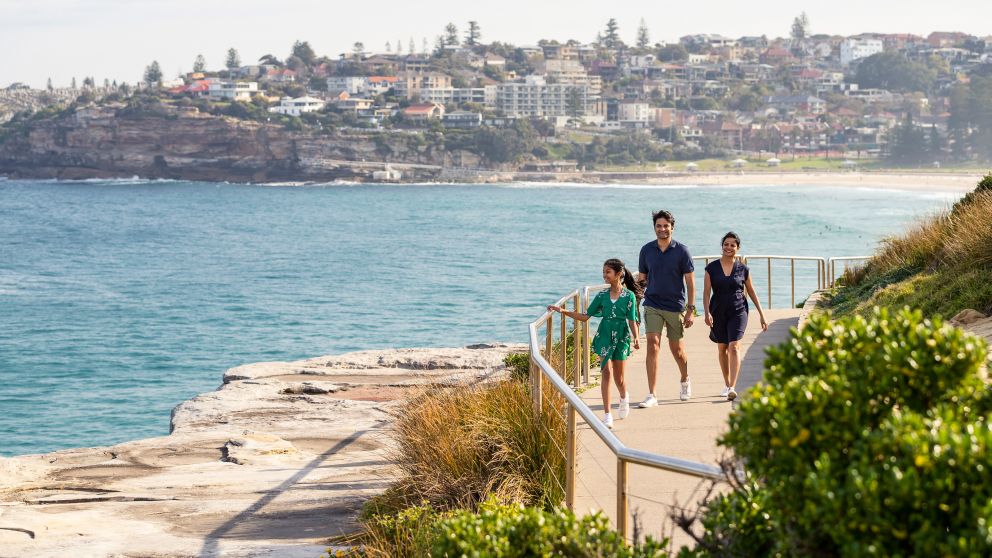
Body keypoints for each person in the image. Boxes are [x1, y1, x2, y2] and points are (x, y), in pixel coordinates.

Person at [548, 258, 641, 429]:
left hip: (621, 337)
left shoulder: (630, 296)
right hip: (605, 334)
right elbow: (585, 316)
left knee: (619, 378)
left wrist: (636, 337)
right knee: (605, 372)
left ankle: (623, 397)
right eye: (603, 271)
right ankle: (607, 414)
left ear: (618, 274)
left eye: (608, 272)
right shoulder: (602, 296)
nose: (604, 275)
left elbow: (632, 319)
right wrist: (563, 311)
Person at [637, 210, 695, 407]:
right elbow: (642, 279)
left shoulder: (682, 251)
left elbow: (690, 283)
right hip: (652, 304)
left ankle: (685, 379)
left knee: (677, 350)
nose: (662, 229)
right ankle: (652, 394)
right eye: (658, 226)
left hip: (675, 306)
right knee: (653, 345)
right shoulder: (646, 250)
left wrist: (690, 310)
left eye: (665, 226)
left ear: (672, 227)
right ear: (654, 228)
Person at [702, 232, 767, 401]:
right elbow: (706, 292)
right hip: (717, 312)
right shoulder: (711, 268)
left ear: (738, 248)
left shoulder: (743, 269)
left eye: (732, 245)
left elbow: (751, 291)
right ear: (722, 246)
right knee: (722, 348)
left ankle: (732, 386)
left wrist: (761, 314)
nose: (729, 247)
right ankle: (726, 383)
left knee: (734, 346)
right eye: (726, 244)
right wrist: (707, 312)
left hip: (739, 311)